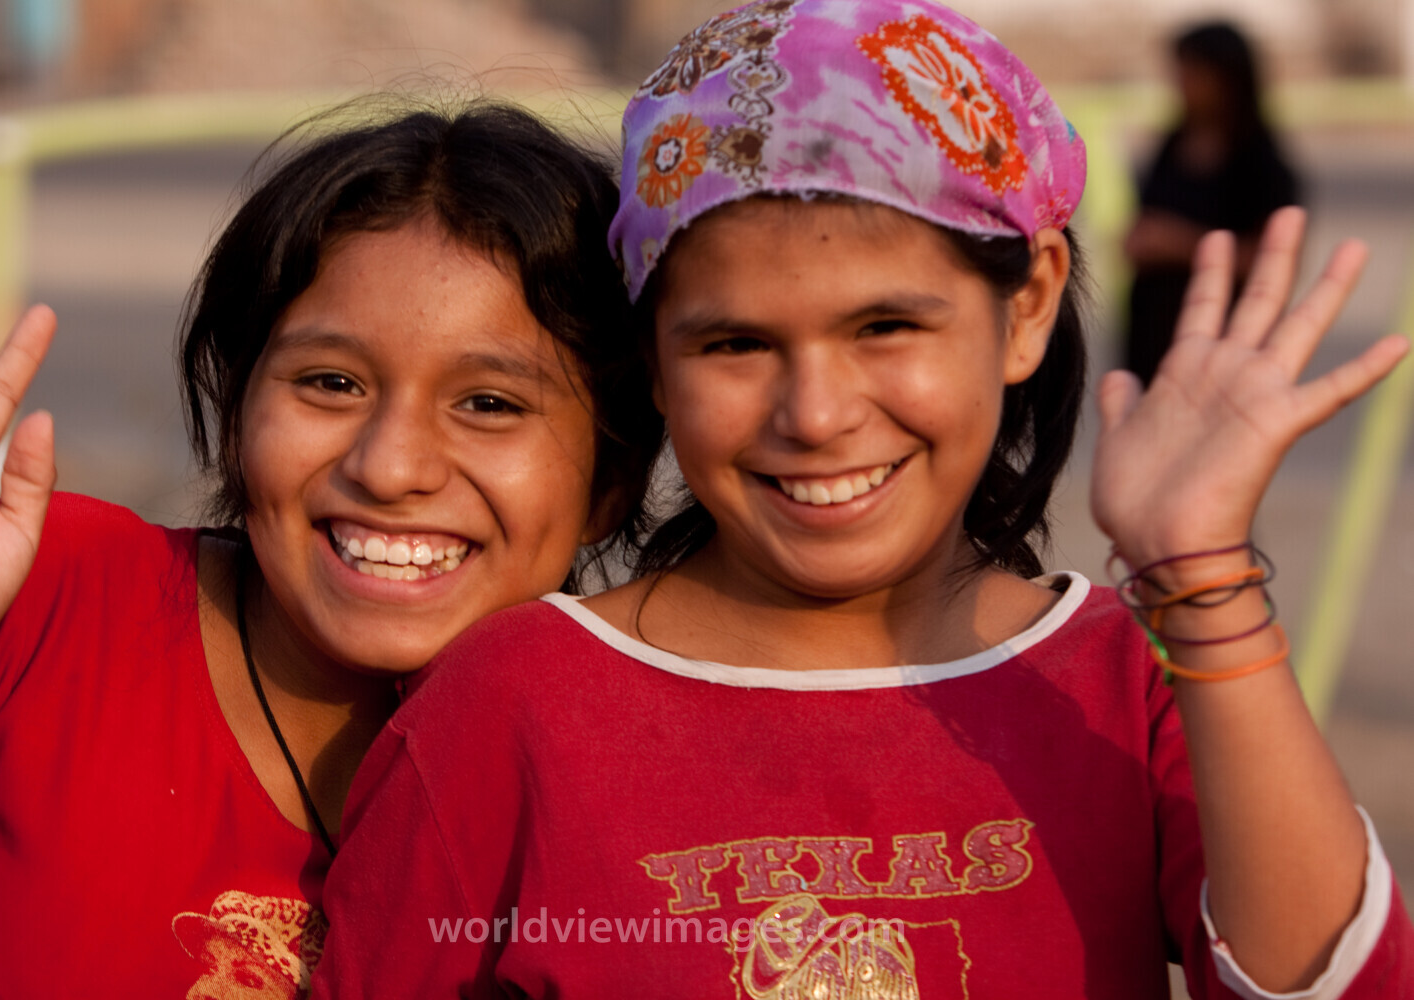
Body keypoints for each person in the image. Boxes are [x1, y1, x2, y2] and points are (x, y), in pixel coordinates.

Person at [313, 2, 1414, 997]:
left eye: (886, 327)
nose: (817, 413)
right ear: (654, 361)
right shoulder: (512, 701)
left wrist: (1204, 576)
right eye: (735, 343)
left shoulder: (1128, 679)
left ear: (1025, 306)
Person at [0, 103, 660, 997]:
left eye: (490, 403)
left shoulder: (639, 785)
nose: (390, 467)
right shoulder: (26, 595)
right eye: (331, 384)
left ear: (611, 482)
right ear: (236, 418)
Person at [1124, 21, 1300, 385]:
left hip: (1224, 343)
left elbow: (1272, 259)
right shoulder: (1171, 146)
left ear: (1229, 80)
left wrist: (1180, 244)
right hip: (1152, 339)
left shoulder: (1263, 165)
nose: (1183, 85)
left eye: (1194, 74)